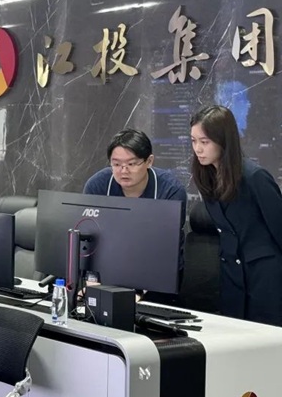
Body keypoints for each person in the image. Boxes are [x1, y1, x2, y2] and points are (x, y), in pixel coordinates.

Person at [190, 105, 282, 326]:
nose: (198, 149)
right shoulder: (206, 176)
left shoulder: (255, 177)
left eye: (204, 142)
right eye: (193, 141)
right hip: (232, 276)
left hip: (264, 278)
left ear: (223, 141)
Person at [83, 129, 187, 293]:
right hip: (108, 272)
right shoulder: (97, 185)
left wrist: (141, 293)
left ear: (149, 161)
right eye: (116, 164)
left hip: (156, 277)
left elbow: (165, 251)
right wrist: (92, 281)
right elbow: (89, 239)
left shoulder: (170, 191)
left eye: (131, 164)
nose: (123, 171)